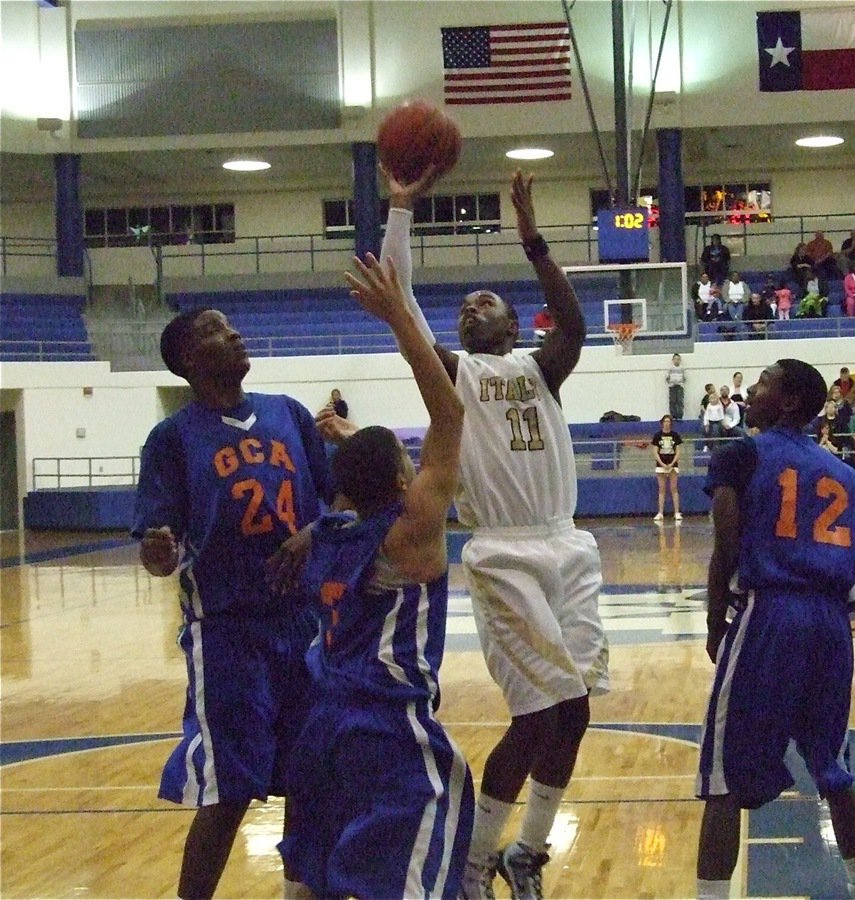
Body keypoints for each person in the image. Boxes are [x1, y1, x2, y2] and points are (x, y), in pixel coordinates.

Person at [324, 167, 609, 898]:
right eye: (464, 306)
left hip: (568, 545)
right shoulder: (455, 374)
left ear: (514, 325)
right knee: (544, 711)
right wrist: (398, 209)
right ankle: (479, 860)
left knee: (574, 715)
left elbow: (573, 322)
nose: (470, 306)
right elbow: (407, 307)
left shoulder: (541, 366)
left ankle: (527, 851)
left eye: (486, 300)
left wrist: (533, 240)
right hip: (503, 550)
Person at [277, 253, 472, 899]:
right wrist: (399, 319)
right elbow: (449, 416)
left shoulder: (329, 532)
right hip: (387, 725)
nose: (418, 467)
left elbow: (366, 482)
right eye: (406, 462)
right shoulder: (410, 532)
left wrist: (353, 441)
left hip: (321, 722)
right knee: (418, 869)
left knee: (314, 874)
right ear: (399, 481)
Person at [132, 308, 332, 900]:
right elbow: (156, 552)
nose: (236, 333)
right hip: (227, 632)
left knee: (310, 777)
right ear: (191, 360)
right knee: (229, 788)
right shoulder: (172, 439)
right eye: (216, 330)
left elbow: (337, 498)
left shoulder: (288, 413)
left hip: (304, 622)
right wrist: (160, 551)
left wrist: (314, 534)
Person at [696, 359, 855, 900]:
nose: (750, 391)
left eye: (762, 384)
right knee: (835, 772)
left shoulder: (740, 455)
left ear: (788, 402)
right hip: (831, 626)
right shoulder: (844, 472)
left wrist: (715, 619)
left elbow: (725, 544)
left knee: (723, 779)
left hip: (769, 617)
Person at [651, 414, 684, 523]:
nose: (667, 423)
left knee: (674, 488)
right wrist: (662, 464)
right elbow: (655, 452)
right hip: (661, 465)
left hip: (672, 465)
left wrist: (672, 463)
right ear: (662, 423)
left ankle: (677, 512)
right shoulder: (657, 436)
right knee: (662, 489)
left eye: (669, 421)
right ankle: (660, 512)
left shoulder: (675, 435)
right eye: (665, 421)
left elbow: (678, 451)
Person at [666, 353, 685, 420]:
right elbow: (667, 378)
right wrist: (672, 382)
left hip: (680, 386)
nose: (676, 361)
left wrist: (679, 381)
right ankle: (673, 416)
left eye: (678, 359)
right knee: (672, 401)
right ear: (673, 360)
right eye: (675, 359)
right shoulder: (670, 368)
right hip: (672, 386)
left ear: (680, 360)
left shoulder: (682, 368)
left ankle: (680, 416)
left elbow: (684, 378)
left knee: (680, 401)